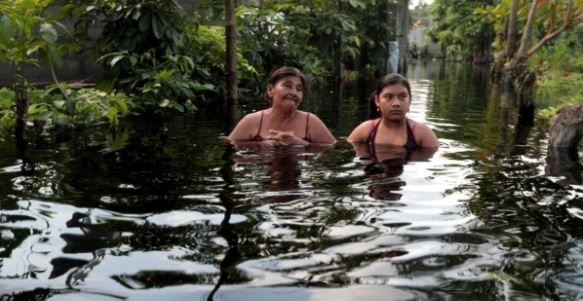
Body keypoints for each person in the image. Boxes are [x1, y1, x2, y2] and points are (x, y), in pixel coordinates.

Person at [228, 66, 336, 145]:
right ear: (270, 90)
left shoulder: (311, 121)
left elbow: (334, 146)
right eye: (287, 86)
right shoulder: (252, 121)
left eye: (299, 89)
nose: (294, 92)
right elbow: (228, 144)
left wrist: (301, 144)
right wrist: (260, 144)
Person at [347, 73, 439, 150]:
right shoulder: (366, 130)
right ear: (377, 101)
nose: (396, 103)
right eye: (388, 97)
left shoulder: (422, 133)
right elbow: (342, 148)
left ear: (410, 100)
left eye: (402, 96)